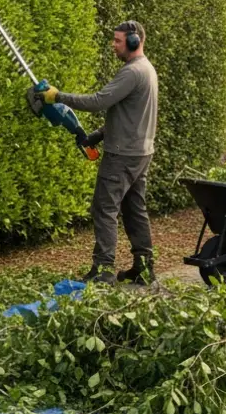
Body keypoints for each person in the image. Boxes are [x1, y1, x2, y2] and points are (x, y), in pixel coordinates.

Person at [36, 21, 159, 285]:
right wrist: (96, 136)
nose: (113, 45)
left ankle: (103, 270)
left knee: (104, 208)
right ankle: (144, 268)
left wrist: (58, 96)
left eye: (118, 41)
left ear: (134, 41)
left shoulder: (132, 72)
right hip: (140, 153)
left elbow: (98, 101)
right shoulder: (147, 69)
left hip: (121, 156)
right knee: (135, 210)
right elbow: (128, 117)